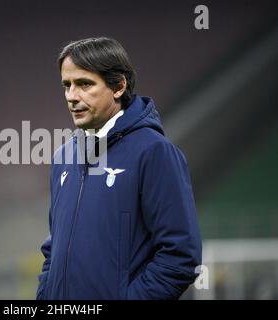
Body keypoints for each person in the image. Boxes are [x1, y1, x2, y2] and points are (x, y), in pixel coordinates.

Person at [36, 37, 202, 300]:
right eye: (67, 85)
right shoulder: (63, 157)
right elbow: (53, 252)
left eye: (84, 84)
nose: (71, 96)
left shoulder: (154, 152)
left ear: (119, 86)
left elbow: (180, 256)